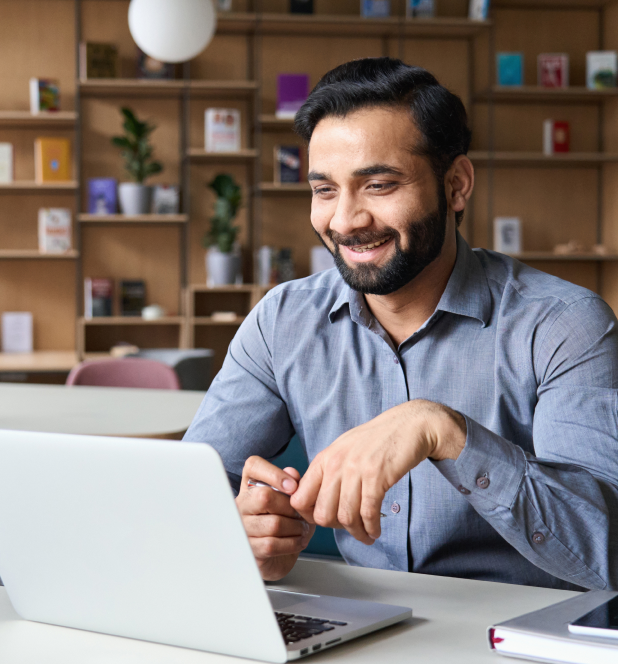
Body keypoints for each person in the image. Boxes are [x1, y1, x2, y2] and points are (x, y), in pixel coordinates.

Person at [184, 57, 618, 591]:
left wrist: (444, 430)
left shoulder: (564, 325)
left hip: (518, 636)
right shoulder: (283, 320)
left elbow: (605, 554)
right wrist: (241, 532)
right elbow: (185, 496)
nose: (345, 220)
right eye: (324, 190)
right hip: (362, 624)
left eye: (380, 185)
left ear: (456, 185)